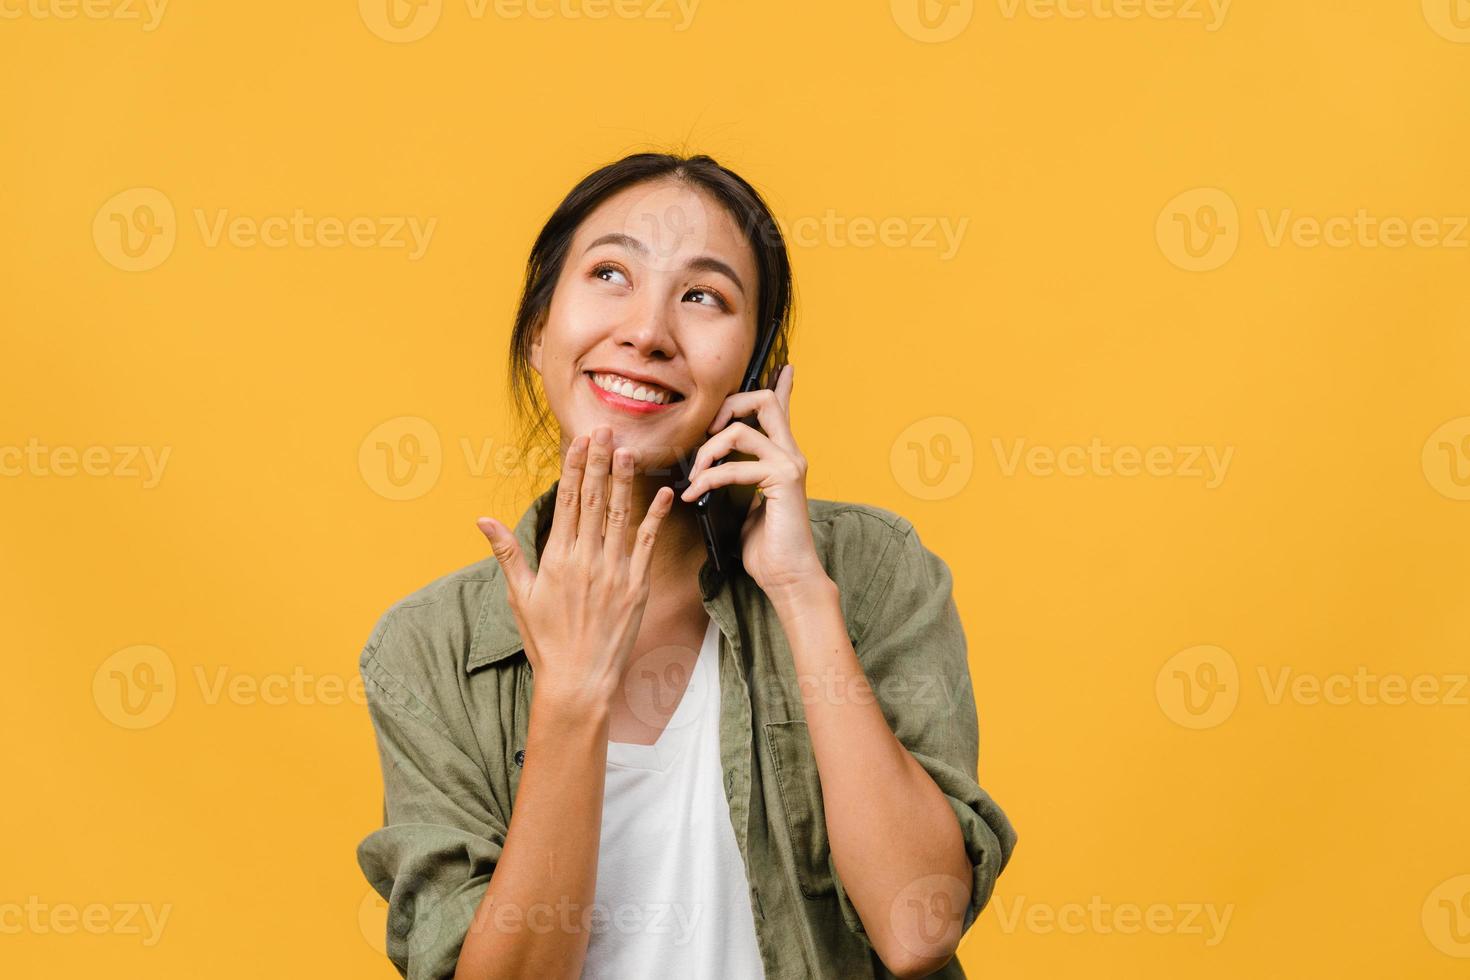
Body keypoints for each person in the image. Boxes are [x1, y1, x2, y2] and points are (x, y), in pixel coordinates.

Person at [356, 152, 1017, 979]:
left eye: (703, 296)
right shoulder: (427, 651)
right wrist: (571, 695)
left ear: (752, 368)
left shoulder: (871, 570)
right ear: (537, 331)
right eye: (609, 274)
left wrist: (801, 593)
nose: (647, 333)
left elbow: (918, 929)